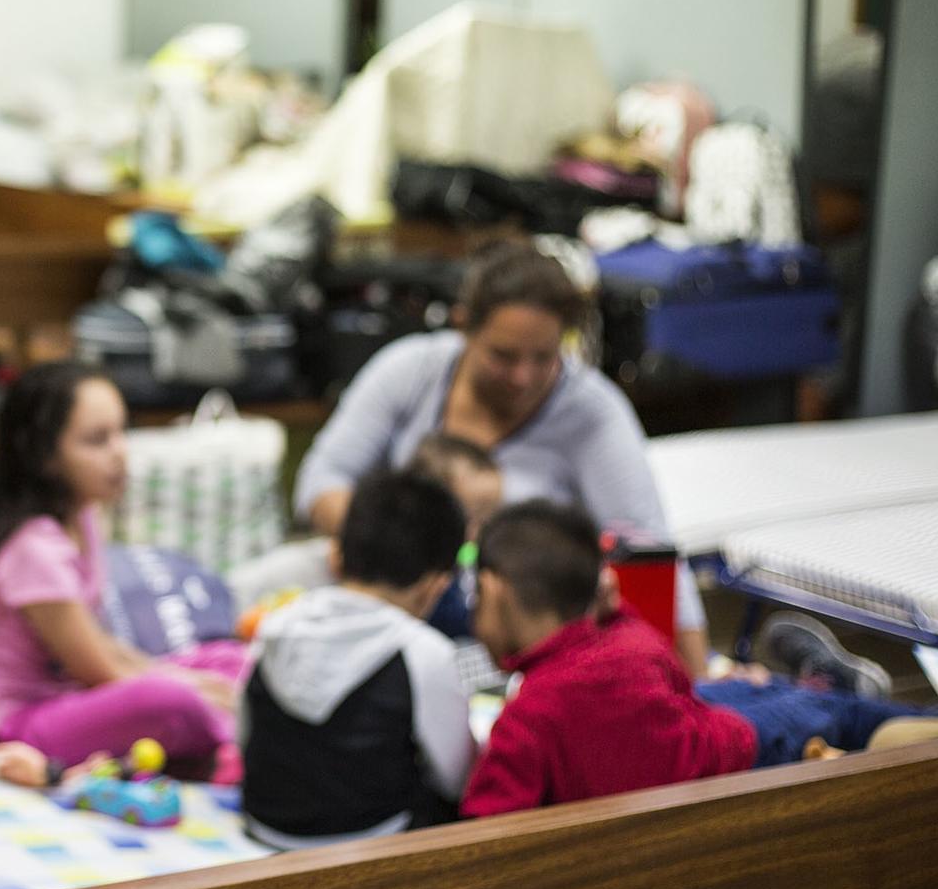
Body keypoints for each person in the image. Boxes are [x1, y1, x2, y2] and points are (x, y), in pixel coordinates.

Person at [294, 239, 713, 676]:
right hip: (397, 611)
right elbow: (322, 479)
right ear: (463, 327)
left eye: (544, 357)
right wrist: (400, 554)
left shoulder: (593, 412)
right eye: (503, 356)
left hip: (524, 648)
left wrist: (695, 681)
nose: (523, 377)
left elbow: (650, 552)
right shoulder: (410, 371)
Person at [461, 501, 938, 818]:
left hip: (720, 750)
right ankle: (874, 701)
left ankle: (854, 695)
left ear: (493, 590)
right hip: (717, 747)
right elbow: (670, 679)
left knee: (777, 695)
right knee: (809, 706)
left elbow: (481, 828)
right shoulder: (628, 642)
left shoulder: (526, 722)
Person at [0, 362, 247, 779]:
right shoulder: (33, 547)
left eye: (120, 433)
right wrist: (190, 688)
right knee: (170, 702)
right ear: (45, 457)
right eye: (97, 440)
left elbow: (100, 643)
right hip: (4, 726)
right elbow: (98, 669)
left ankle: (220, 724)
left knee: (230, 659)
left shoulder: (82, 517)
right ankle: (229, 732)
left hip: (60, 693)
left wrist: (190, 678)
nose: (119, 452)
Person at [240, 470, 476, 848]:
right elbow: (457, 778)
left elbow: (246, 735)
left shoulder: (277, 625)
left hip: (264, 827)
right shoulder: (424, 652)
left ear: (336, 556)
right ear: (436, 586)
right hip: (373, 841)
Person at [401, 431, 502, 638]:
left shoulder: (469, 562)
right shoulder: (416, 573)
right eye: (470, 518)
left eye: (488, 519)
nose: (479, 531)